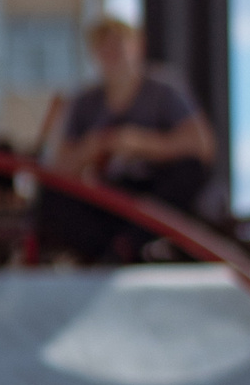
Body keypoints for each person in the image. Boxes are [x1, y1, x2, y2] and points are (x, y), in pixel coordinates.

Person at [42, 16, 216, 260]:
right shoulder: (83, 102)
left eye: (118, 45)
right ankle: (107, 253)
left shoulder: (164, 90)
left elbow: (202, 146)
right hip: (110, 196)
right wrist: (92, 148)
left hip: (156, 195)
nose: (111, 54)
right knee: (52, 195)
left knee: (189, 171)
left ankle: (128, 246)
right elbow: (58, 169)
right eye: (103, 47)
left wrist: (141, 144)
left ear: (137, 47)